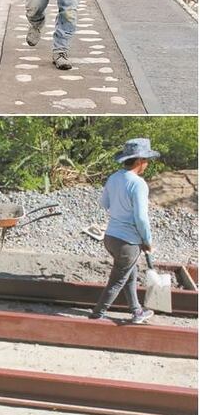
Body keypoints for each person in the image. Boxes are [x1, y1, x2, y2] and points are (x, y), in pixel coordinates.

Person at [90, 139, 160, 324]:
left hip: (111, 238)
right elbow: (141, 218)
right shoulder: (138, 184)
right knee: (117, 281)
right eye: (146, 159)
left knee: (130, 273)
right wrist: (147, 241)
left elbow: (104, 204)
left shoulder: (114, 178)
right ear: (138, 161)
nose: (147, 163)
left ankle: (136, 311)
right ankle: (96, 315)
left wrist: (120, 210)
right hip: (127, 243)